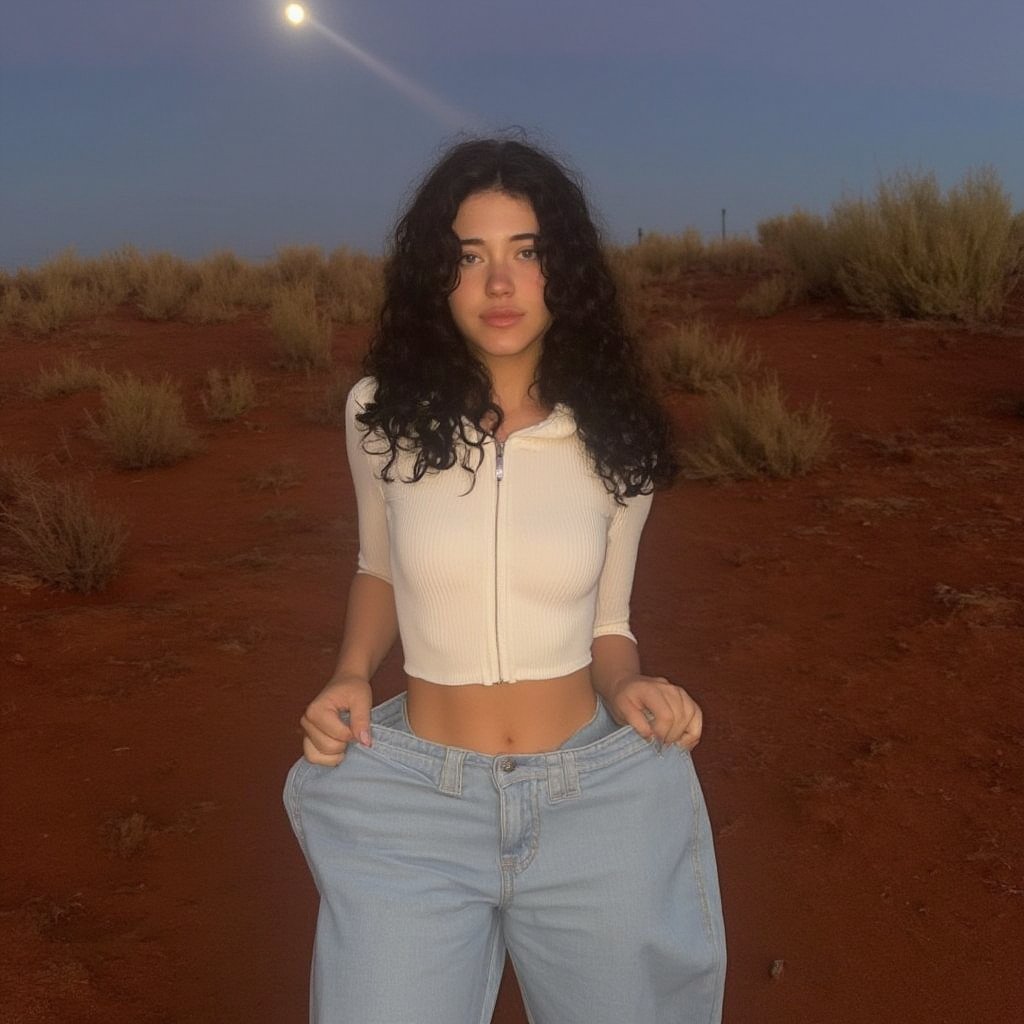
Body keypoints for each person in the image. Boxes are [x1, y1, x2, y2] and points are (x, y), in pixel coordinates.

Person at [283, 136, 726, 1024]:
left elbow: (609, 623)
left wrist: (631, 682)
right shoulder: (380, 414)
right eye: (469, 257)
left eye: (526, 254)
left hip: (594, 801)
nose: (499, 285)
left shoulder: (617, 438)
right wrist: (349, 672)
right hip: (413, 804)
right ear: (434, 277)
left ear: (562, 272)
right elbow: (378, 568)